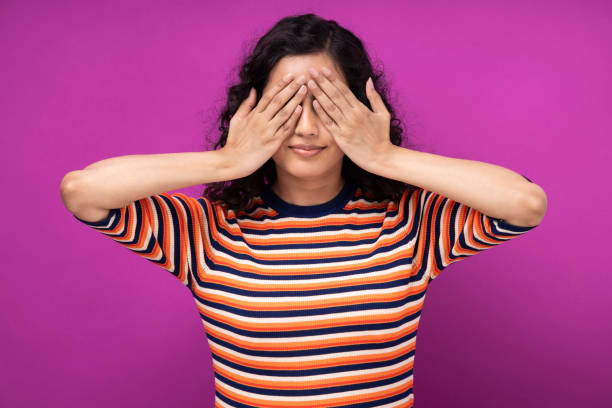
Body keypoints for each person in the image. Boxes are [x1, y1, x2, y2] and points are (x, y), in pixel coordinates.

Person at [59, 13, 547, 408]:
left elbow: (525, 204)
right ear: (250, 112)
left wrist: (385, 156)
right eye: (287, 104)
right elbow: (83, 191)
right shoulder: (205, 231)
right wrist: (228, 160)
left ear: (362, 109)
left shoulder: (411, 222)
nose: (307, 128)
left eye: (326, 104)